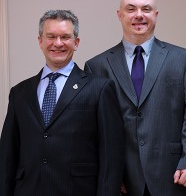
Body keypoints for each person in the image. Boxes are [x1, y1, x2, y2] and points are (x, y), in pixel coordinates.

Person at [85, 0, 186, 196]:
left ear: (156, 15)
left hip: (174, 173)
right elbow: (93, 129)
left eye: (146, 9)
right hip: (121, 180)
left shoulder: (183, 59)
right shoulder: (97, 66)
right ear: (119, 15)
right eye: (131, 9)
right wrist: (108, 175)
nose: (139, 15)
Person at [0, 10, 124, 196]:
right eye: (51, 36)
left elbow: (111, 157)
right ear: (40, 41)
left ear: (76, 42)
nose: (58, 43)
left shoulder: (99, 88)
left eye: (65, 37)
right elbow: (7, 156)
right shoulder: (19, 93)